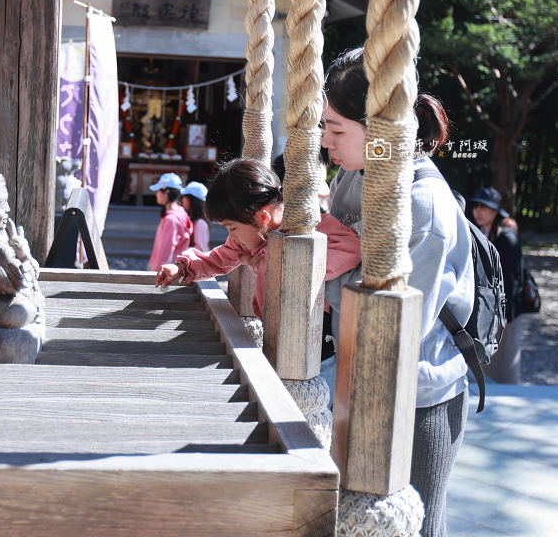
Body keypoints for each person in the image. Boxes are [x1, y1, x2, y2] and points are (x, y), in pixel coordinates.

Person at [319, 47, 475, 537]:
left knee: (416, 527)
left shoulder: (424, 205)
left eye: (336, 129)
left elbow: (390, 324)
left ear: (380, 127)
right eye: (324, 126)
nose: (324, 142)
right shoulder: (362, 168)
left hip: (420, 396)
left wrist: (321, 258)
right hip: (359, 377)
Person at [153, 159, 361, 320]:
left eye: (232, 228)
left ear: (262, 217)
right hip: (273, 326)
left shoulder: (313, 227)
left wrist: (286, 264)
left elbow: (352, 248)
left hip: (317, 336)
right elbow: (217, 259)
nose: (231, 236)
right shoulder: (249, 238)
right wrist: (182, 268)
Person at [469, 188, 524, 384]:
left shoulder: (507, 238)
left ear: (496, 211)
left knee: (506, 360)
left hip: (504, 311)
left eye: (485, 207)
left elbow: (511, 279)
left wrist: (504, 313)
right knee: (486, 359)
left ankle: (510, 399)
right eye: (477, 206)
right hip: (488, 308)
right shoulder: (484, 232)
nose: (478, 212)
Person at [147, 172, 192, 275]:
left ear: (166, 192)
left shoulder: (171, 220)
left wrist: (155, 274)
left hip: (167, 273)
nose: (156, 194)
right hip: (176, 270)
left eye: (158, 191)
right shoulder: (181, 212)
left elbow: (164, 252)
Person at [180, 181, 210, 252]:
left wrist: (180, 251)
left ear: (192, 200)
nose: (183, 199)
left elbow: (200, 250)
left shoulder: (200, 223)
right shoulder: (193, 220)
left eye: (185, 196)